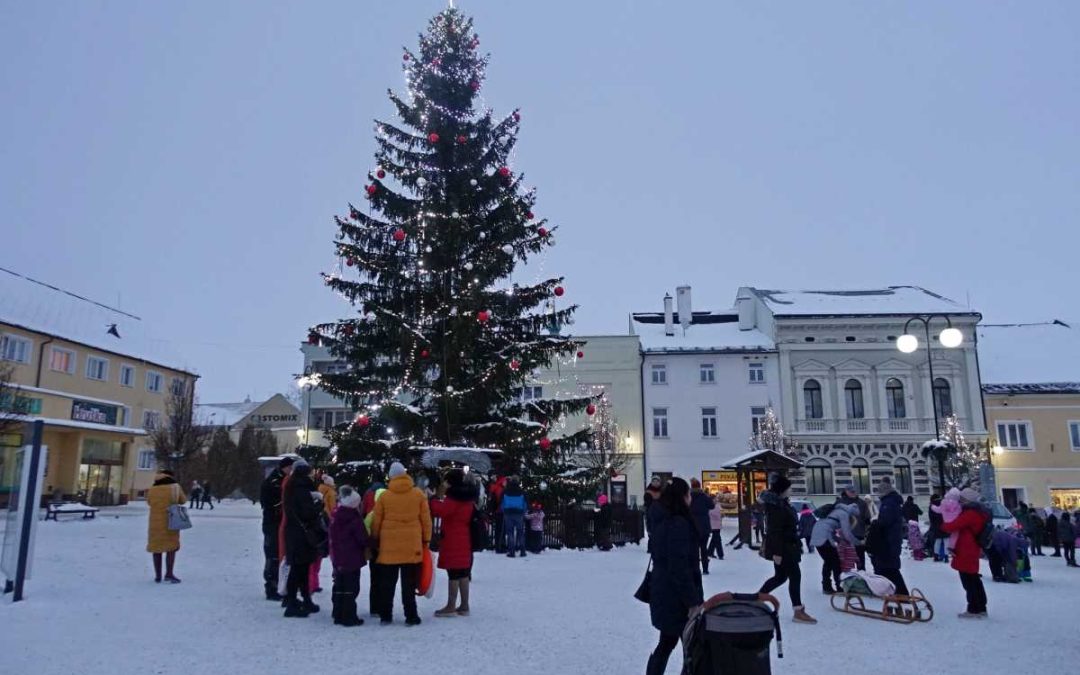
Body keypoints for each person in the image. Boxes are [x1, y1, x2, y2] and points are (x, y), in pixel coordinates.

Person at [645, 478, 704, 675]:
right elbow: (679, 567)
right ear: (682, 496)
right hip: (676, 597)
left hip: (664, 591)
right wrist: (692, 601)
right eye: (688, 494)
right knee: (692, 646)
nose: (690, 499)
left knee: (667, 642)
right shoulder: (678, 523)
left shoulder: (661, 518)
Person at [371, 462, 432, 626]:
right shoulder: (418, 494)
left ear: (391, 477)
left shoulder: (384, 496)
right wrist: (426, 538)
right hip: (412, 545)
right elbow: (426, 520)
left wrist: (375, 538)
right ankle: (411, 615)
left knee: (387, 584)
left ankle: (386, 615)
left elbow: (377, 521)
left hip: (388, 545)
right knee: (409, 585)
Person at [758, 475, 816, 624]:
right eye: (789, 488)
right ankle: (798, 611)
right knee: (794, 576)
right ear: (782, 489)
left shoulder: (782, 503)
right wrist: (777, 552)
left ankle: (757, 599)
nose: (791, 490)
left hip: (789, 545)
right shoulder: (776, 507)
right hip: (784, 548)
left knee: (780, 577)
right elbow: (774, 530)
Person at [429, 469, 479, 618]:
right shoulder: (468, 497)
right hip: (465, 537)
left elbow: (440, 510)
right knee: (463, 572)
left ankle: (451, 606)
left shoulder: (453, 498)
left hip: (452, 539)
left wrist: (434, 498)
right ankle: (464, 605)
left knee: (453, 573)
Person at [282, 461, 324, 618]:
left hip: (295, 533)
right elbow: (307, 512)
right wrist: (318, 506)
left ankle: (302, 599)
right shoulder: (301, 487)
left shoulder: (293, 485)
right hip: (302, 534)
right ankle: (294, 601)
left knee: (300, 568)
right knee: (299, 568)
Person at [941, 488, 990, 618]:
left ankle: (974, 608)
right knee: (973, 579)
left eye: (961, 499)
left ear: (967, 500)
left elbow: (951, 526)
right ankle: (981, 607)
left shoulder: (970, 514)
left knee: (969, 581)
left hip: (966, 549)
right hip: (971, 549)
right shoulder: (977, 513)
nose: (959, 501)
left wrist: (945, 522)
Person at [329, 485, 368, 627]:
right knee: (351, 588)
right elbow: (362, 538)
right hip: (352, 558)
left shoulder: (336, 516)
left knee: (340, 586)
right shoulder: (354, 519)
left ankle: (338, 613)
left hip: (339, 557)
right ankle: (349, 616)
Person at [260, 456, 294, 600]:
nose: (291, 471)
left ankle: (279, 584)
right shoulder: (273, 482)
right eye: (289, 468)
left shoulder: (284, 480)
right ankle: (271, 586)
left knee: (280, 555)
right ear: (284, 467)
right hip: (272, 523)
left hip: (280, 523)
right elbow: (268, 503)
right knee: (272, 555)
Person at [869, 476, 909, 597]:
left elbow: (884, 521)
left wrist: (875, 523)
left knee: (889, 569)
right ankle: (896, 593)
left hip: (888, 541)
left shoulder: (888, 503)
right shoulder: (891, 501)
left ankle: (901, 594)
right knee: (887, 568)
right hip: (890, 540)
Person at [146, 469, 186, 583]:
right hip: (171, 521)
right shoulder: (175, 487)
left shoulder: (152, 489)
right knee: (171, 548)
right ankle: (169, 574)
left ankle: (157, 576)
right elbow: (183, 500)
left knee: (156, 549)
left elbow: (149, 502)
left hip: (154, 523)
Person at [809, 502, 858, 594]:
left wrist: (838, 539)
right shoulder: (843, 514)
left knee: (828, 562)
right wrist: (858, 542)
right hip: (823, 538)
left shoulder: (835, 511)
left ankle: (826, 586)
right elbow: (846, 533)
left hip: (817, 535)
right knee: (836, 563)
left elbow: (829, 528)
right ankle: (839, 587)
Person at [309, 474, 337, 594]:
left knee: (313, 557)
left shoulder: (317, 491)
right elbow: (333, 508)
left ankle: (312, 583)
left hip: (316, 524)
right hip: (326, 521)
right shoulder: (331, 493)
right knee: (319, 556)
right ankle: (313, 584)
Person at [837, 487, 871, 570]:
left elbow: (867, 519)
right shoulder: (840, 503)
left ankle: (860, 579)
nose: (853, 493)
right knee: (846, 562)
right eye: (851, 491)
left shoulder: (862, 503)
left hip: (856, 536)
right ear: (846, 492)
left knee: (857, 561)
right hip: (846, 537)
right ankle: (848, 580)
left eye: (854, 491)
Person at [688, 479, 714, 574]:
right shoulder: (704, 496)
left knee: (694, 549)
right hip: (704, 526)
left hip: (692, 526)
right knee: (703, 549)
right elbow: (712, 506)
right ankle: (705, 569)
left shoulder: (689, 496)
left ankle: (695, 568)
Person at [501, 476, 527, 558]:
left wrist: (504, 510)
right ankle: (522, 551)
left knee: (510, 532)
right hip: (519, 513)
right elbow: (525, 503)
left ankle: (511, 552)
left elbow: (502, 503)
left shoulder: (505, 491)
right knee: (520, 532)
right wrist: (523, 511)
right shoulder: (522, 491)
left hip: (508, 513)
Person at [927, 494, 946, 562]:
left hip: (935, 526)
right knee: (944, 542)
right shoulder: (944, 504)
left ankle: (936, 556)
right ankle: (943, 555)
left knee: (937, 542)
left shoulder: (931, 506)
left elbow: (931, 517)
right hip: (944, 525)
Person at [706, 494, 725, 560]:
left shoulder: (717, 505)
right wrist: (721, 514)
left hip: (717, 524)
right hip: (713, 524)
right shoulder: (711, 506)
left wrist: (722, 514)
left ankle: (709, 552)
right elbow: (716, 514)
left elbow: (721, 513)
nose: (716, 500)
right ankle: (720, 554)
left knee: (714, 539)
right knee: (717, 539)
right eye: (715, 498)